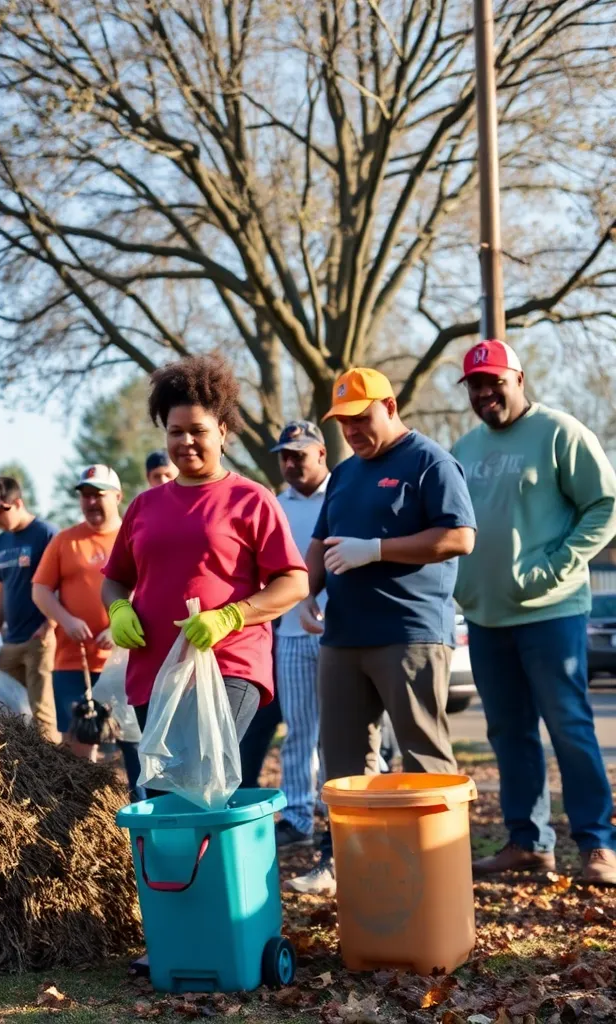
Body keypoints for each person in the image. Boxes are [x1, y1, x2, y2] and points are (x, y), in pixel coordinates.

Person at [287, 368, 476, 897]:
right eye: (343, 422)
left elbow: (460, 536)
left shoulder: (429, 460)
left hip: (410, 633)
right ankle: (347, 867)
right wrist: (306, 594)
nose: (353, 431)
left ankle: (439, 875)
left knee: (423, 757)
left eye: (361, 418)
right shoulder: (344, 474)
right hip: (343, 637)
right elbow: (321, 542)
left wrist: (376, 549)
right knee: (342, 763)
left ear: (389, 407)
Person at [452, 340, 616, 885]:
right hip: (486, 617)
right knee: (509, 731)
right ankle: (528, 842)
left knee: (569, 728)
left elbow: (604, 506)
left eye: (493, 382)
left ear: (518, 379)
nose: (483, 393)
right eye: (475, 385)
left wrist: (556, 565)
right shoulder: (465, 448)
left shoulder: (559, 432)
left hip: (550, 612)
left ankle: (596, 843)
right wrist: (462, 586)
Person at [102, 355, 309, 773]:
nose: (186, 442)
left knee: (201, 777)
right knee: (165, 794)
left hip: (227, 665)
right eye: (175, 432)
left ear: (223, 431)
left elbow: (294, 582)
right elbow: (115, 579)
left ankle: (222, 841)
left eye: (198, 431)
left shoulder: (251, 499)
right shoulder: (143, 506)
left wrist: (231, 616)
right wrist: (118, 608)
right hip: (153, 671)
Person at [245, 421, 329, 850]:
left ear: (321, 454)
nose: (291, 462)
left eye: (299, 454)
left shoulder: (343, 494)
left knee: (339, 732)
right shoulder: (274, 505)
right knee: (299, 730)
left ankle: (338, 814)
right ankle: (298, 816)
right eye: (285, 456)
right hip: (292, 634)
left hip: (340, 632)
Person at [32, 465, 126, 763]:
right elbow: (40, 590)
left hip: (125, 661)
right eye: (85, 495)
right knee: (78, 751)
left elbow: (151, 589)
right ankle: (81, 810)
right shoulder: (64, 540)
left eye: (98, 494)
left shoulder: (133, 536)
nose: (91, 502)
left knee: (130, 744)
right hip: (74, 661)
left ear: (118, 496)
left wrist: (120, 627)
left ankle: (135, 805)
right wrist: (67, 620)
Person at [0, 477, 60, 742]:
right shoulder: (1, 543)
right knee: (2, 709)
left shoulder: (46, 533)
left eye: (1, 511)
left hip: (39, 639)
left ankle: (53, 777)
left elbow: (62, 583)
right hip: (10, 640)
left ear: (19, 503)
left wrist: (50, 624)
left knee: (42, 713)